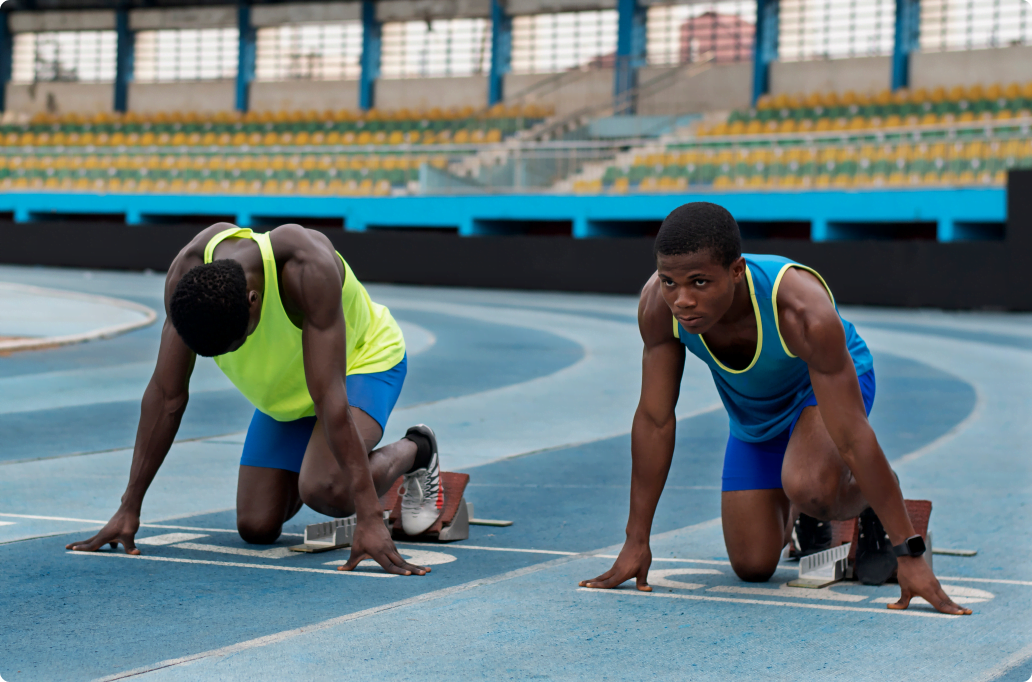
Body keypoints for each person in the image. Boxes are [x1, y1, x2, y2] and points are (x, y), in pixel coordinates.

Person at [580, 202, 971, 615]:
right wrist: (636, 540)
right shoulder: (658, 308)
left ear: (736, 270)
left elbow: (853, 436)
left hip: (822, 390)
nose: (683, 300)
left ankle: (867, 493)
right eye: (670, 282)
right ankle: (807, 511)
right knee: (752, 565)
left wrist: (908, 555)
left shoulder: (802, 311)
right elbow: (655, 420)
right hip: (755, 411)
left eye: (698, 282)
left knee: (811, 486)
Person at [67, 223, 443, 576]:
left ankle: (418, 450)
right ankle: (329, 461)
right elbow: (167, 396)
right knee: (256, 526)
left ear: (253, 300)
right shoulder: (188, 276)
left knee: (327, 489)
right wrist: (129, 505)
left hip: (361, 363)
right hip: (286, 390)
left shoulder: (305, 267)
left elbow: (329, 396)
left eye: (234, 345)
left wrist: (370, 517)